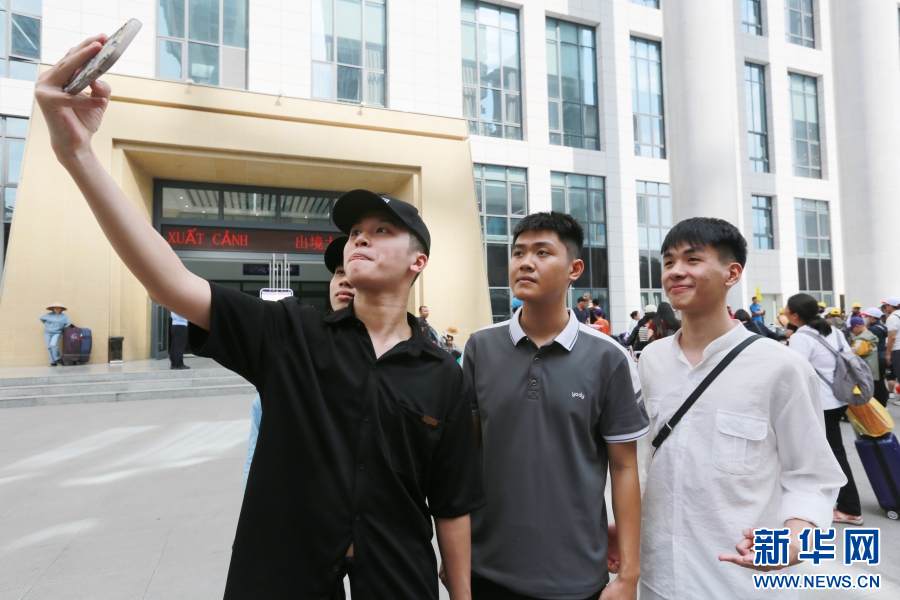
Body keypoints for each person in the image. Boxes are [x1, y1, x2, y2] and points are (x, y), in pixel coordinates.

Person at [34, 45, 484, 599]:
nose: (360, 239)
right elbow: (170, 282)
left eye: (382, 231)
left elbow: (452, 502)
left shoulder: (443, 375)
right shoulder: (291, 333)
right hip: (284, 575)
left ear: (419, 262)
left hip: (397, 579)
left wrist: (461, 594)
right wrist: (77, 154)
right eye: (355, 233)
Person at [638, 218, 845, 600]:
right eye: (668, 262)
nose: (675, 271)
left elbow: (812, 476)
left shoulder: (781, 367)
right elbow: (648, 462)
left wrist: (794, 541)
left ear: (732, 273)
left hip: (741, 584)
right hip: (658, 579)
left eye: (692, 259)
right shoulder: (651, 360)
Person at [462, 212, 648, 600]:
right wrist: (456, 556)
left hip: (576, 575)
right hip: (487, 569)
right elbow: (464, 458)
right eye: (518, 252)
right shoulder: (480, 347)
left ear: (574, 269)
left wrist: (629, 575)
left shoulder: (608, 358)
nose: (525, 262)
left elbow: (624, 467)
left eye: (542, 252)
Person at [243, 236, 354, 492]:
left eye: (354, 272)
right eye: (339, 272)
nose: (344, 279)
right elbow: (256, 455)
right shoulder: (295, 350)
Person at [783, 293, 863, 526]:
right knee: (832, 451)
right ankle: (837, 501)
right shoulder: (834, 331)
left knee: (832, 454)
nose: (784, 312)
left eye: (786, 309)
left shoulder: (801, 337)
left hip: (821, 403)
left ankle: (850, 508)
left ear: (795, 315)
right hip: (839, 398)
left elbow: (796, 373)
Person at [863, 307, 889, 406]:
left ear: (872, 317)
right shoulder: (881, 327)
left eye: (867, 316)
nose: (865, 318)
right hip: (881, 356)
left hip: (876, 358)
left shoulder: (874, 329)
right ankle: (883, 400)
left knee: (877, 382)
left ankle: (881, 402)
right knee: (880, 381)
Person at [849, 316, 879, 385]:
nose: (852, 332)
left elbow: (852, 354)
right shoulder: (871, 336)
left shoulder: (862, 339)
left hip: (864, 372)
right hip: (872, 370)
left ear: (857, 326)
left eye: (852, 329)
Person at [40, 302, 70, 366]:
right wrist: (47, 324)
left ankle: (58, 358)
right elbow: (41, 318)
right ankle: (52, 362)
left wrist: (74, 328)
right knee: (49, 347)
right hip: (47, 333)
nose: (57, 309)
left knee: (53, 345)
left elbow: (68, 323)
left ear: (61, 309)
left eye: (58, 308)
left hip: (57, 332)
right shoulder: (48, 315)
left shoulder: (64, 316)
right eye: (55, 308)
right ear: (53, 309)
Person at [885, 297, 900, 405]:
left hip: (897, 349)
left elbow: (892, 337)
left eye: (887, 305)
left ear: (891, 306)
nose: (886, 307)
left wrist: (888, 353)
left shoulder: (892, 318)